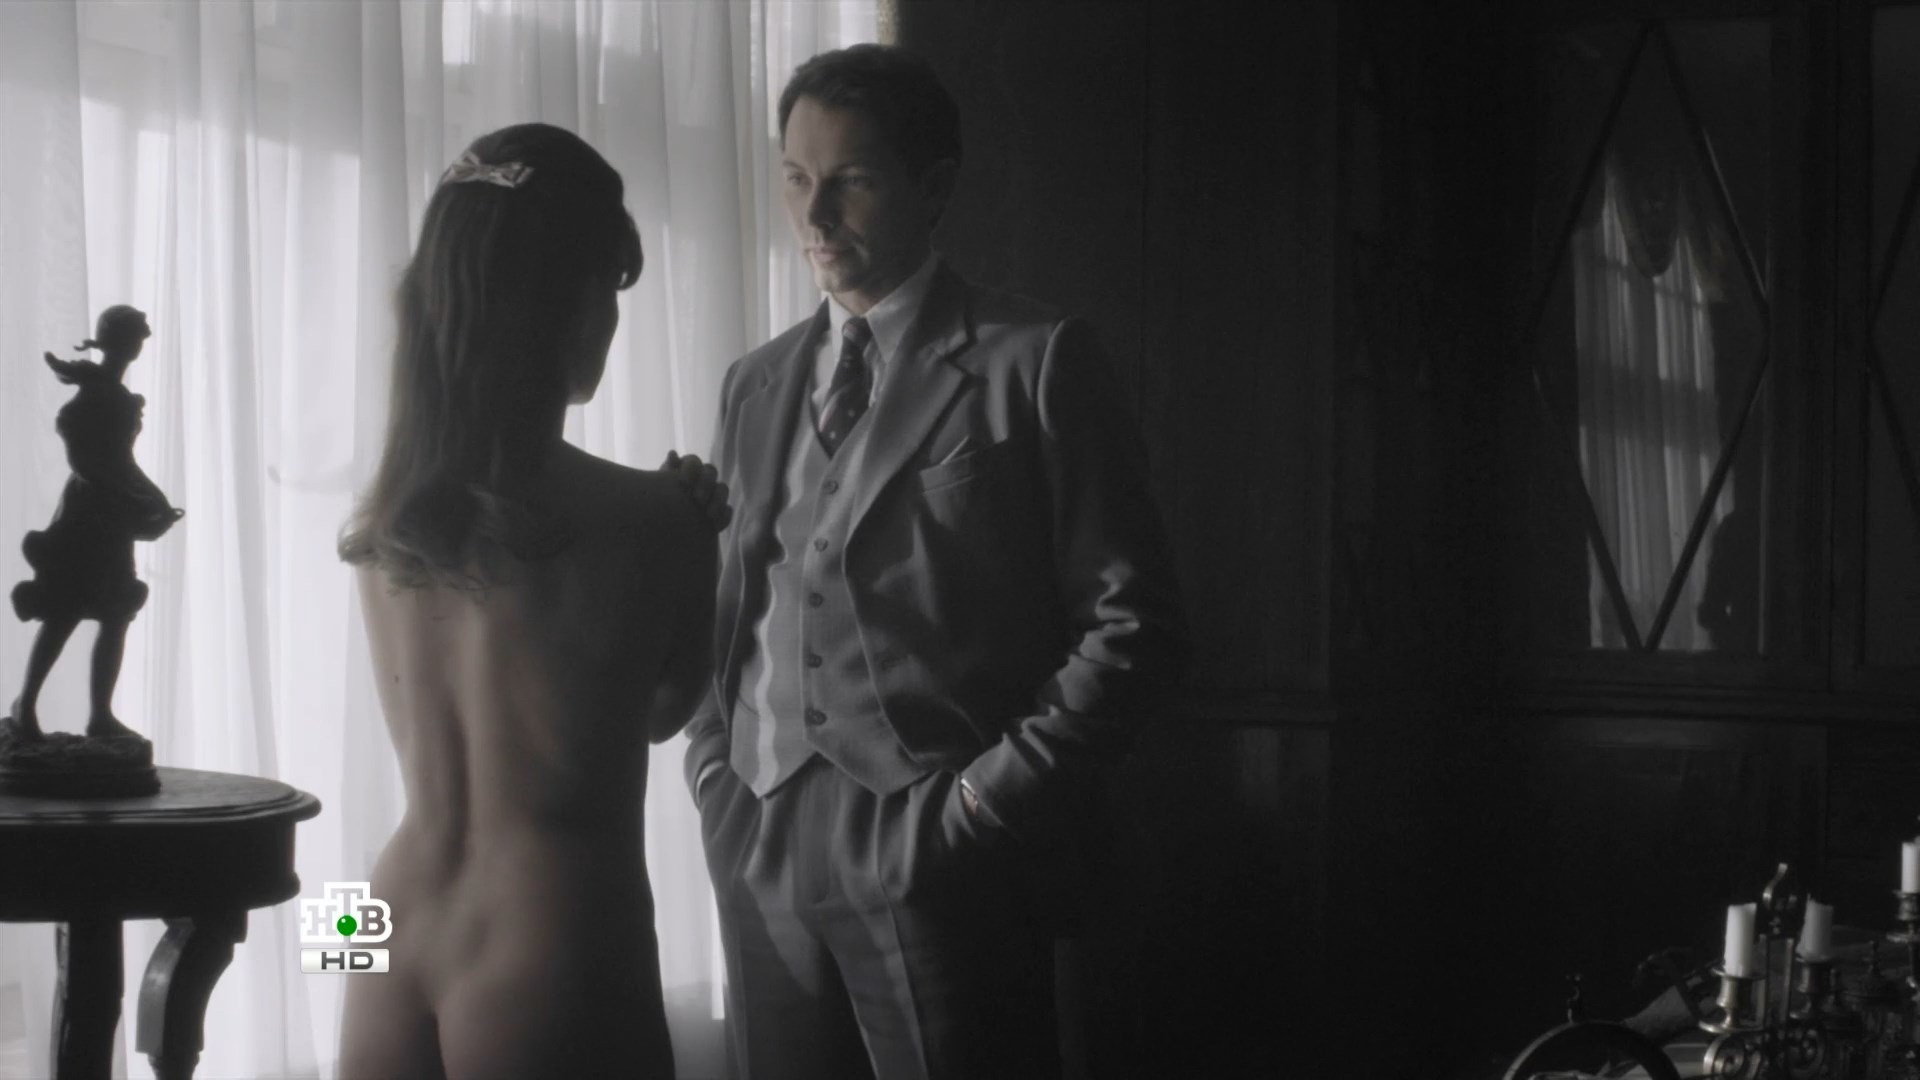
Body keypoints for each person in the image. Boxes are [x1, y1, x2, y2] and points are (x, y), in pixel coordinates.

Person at [684, 44, 1187, 1080]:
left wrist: (983, 805)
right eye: (796, 177)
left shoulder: (1033, 359)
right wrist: (713, 773)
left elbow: (1135, 626)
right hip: (760, 829)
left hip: (940, 844)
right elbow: (725, 607)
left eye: (852, 180)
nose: (815, 213)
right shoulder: (753, 383)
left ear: (935, 185)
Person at [336, 123, 724, 1079]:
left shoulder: (385, 523)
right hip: (551, 929)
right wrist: (702, 536)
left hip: (374, 917)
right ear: (572, 301)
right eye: (611, 288)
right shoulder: (658, 515)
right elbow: (663, 714)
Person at [8, 305, 182, 741]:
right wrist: (130, 495)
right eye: (136, 335)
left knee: (115, 611)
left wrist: (154, 501)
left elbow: (124, 460)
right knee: (65, 609)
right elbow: (84, 461)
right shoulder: (94, 396)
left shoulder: (115, 394)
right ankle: (26, 704)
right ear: (120, 341)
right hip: (86, 517)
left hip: (114, 517)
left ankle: (100, 715)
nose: (141, 343)